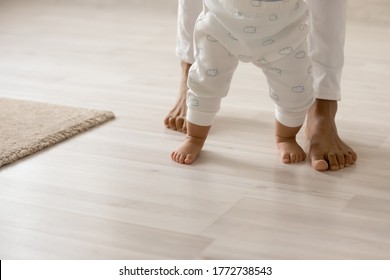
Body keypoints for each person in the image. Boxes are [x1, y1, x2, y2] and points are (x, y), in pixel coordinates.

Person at [165, 0, 357, 171]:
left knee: (295, 93)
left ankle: (285, 137)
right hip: (220, 25)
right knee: (205, 84)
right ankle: (195, 138)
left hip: (283, 33)